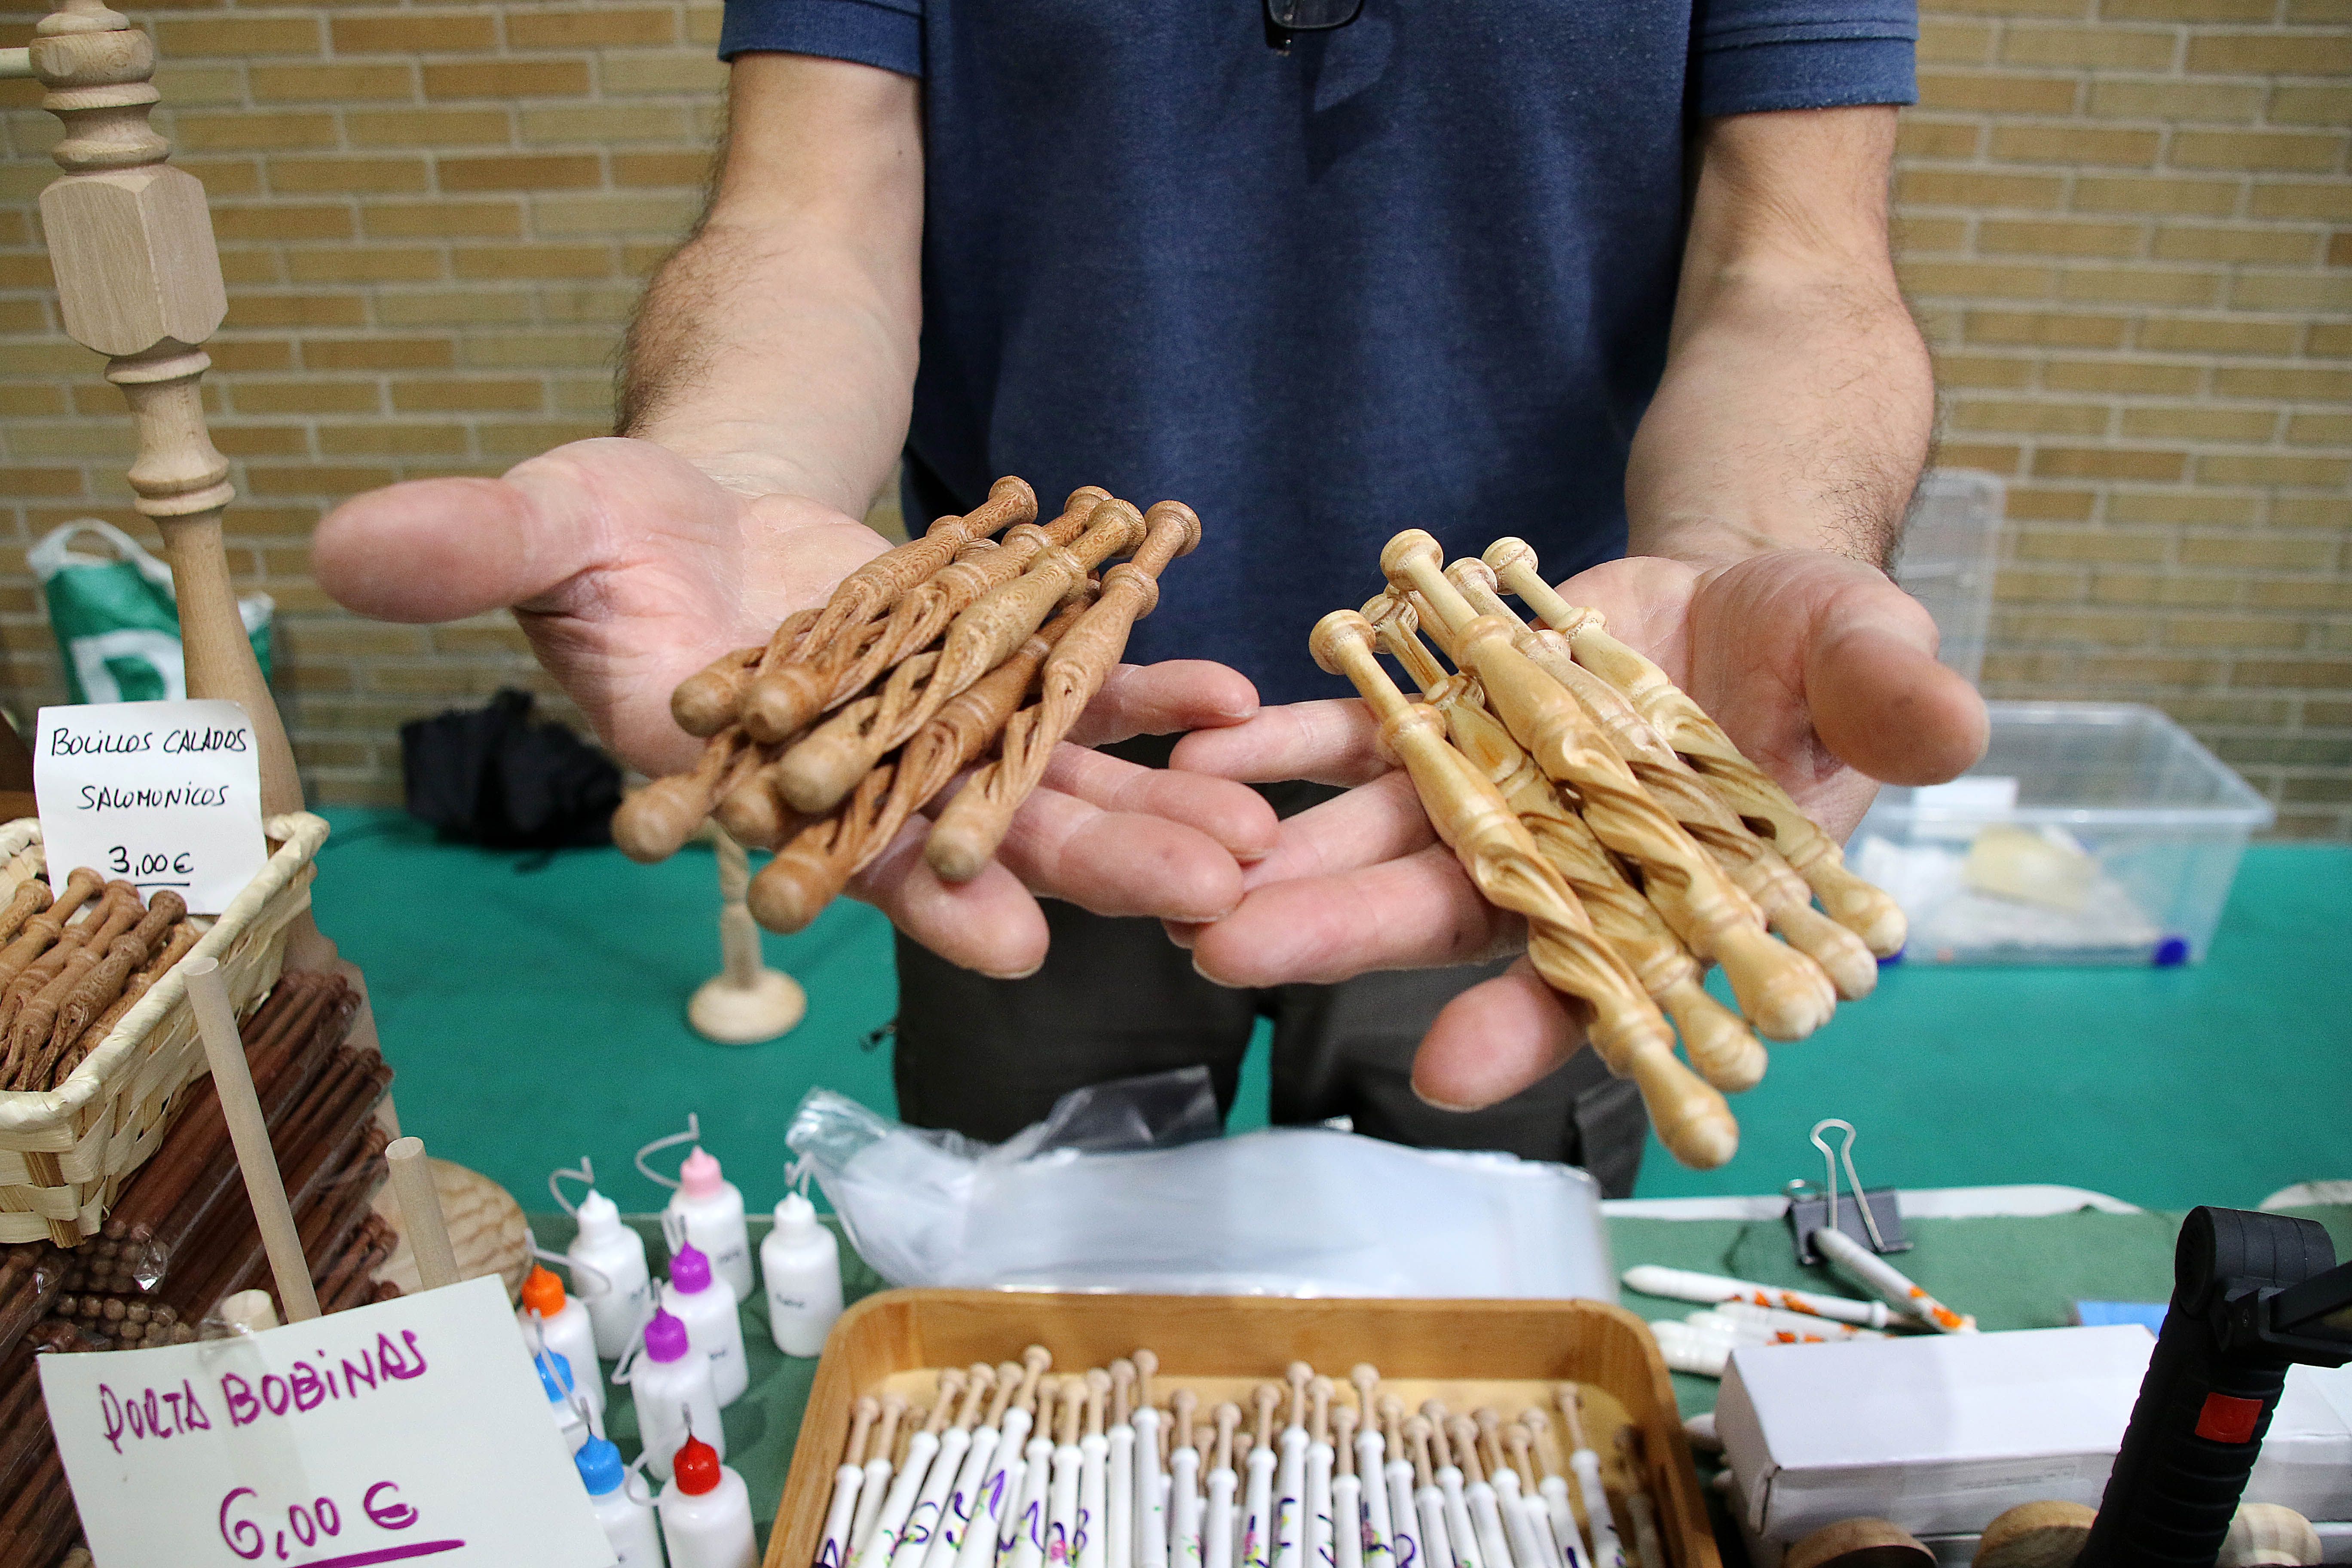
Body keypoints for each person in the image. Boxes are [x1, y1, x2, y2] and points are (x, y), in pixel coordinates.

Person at [314, 0, 1988, 1196]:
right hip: (1043, 778)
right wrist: (740, 475)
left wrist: (1758, 543)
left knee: (1467, 1296)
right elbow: (810, 215)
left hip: (1532, 779)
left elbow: (1798, 261)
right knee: (1039, 1264)